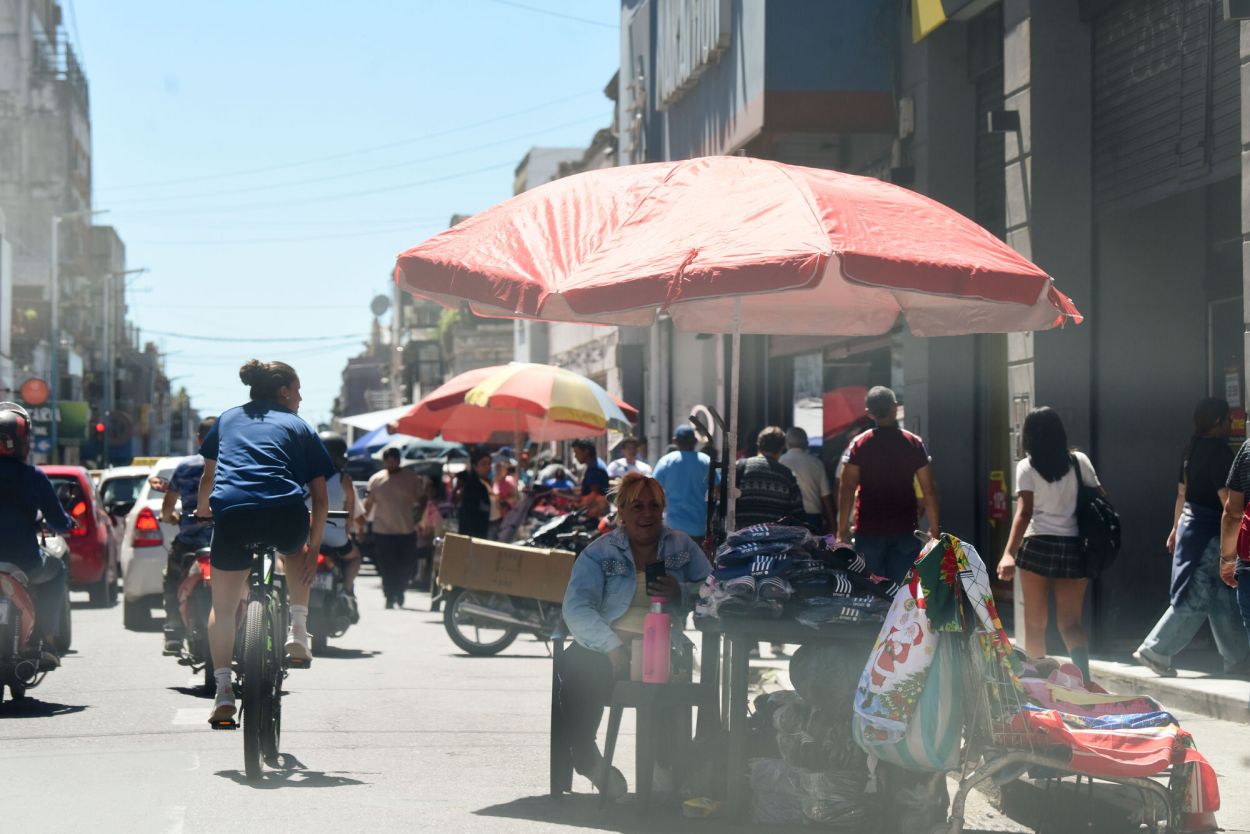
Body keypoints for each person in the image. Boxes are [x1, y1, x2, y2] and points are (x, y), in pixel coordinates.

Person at [197, 360, 336, 724]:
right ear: (284, 391)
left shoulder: (226, 419)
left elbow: (209, 477)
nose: (302, 397)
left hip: (233, 516)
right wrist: (313, 549)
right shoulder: (298, 426)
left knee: (224, 607)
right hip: (284, 515)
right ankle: (299, 632)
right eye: (298, 389)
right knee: (294, 550)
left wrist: (201, 510)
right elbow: (320, 500)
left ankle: (223, 689)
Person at [560, 473, 712, 798]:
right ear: (622, 512)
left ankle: (665, 764)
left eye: (653, 506)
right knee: (576, 665)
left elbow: (715, 590)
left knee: (674, 686)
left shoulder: (682, 547)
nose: (646, 514)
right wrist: (613, 647)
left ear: (663, 509)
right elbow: (576, 608)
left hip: (664, 645)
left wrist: (681, 591)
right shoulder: (599, 553)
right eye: (637, 506)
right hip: (607, 647)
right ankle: (588, 760)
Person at [1134, 399, 1248, 676]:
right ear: (1220, 422)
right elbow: (1228, 504)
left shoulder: (1191, 448)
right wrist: (1233, 540)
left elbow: (1182, 494)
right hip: (1211, 535)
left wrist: (1176, 528)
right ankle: (1156, 649)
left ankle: (1238, 657)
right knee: (1196, 596)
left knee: (1220, 596)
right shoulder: (1220, 453)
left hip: (1191, 528)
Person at [996, 407, 1102, 683]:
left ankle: (1037, 683)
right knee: (1070, 623)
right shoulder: (1079, 461)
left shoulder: (1026, 467)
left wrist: (1009, 553)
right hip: (1075, 547)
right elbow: (1100, 497)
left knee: (1034, 623)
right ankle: (1084, 680)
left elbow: (1025, 512)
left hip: (1037, 547)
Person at [838, 386, 939, 584]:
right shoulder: (914, 443)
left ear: (868, 412)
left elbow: (847, 489)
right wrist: (934, 528)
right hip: (905, 529)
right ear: (895, 407)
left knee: (870, 590)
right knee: (902, 592)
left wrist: (841, 530)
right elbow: (929, 489)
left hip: (869, 530)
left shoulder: (859, 444)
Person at [0, 403, 72, 665]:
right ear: (22, 442)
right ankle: (46, 637)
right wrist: (68, 523)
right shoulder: (33, 476)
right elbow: (58, 521)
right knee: (57, 569)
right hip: (26, 562)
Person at [159, 416, 217, 655]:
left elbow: (167, 506)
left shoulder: (185, 467)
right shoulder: (233, 465)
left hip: (189, 543)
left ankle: (173, 628)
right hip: (221, 543)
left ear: (199, 439)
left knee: (171, 577)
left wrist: (171, 518)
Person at [366, 446, 424, 608]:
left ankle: (400, 589)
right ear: (384, 462)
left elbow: (422, 499)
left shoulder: (411, 478)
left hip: (406, 529)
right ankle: (390, 595)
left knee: (406, 564)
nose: (392, 464)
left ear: (399, 461)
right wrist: (361, 525)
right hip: (383, 531)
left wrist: (420, 516)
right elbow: (368, 504)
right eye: (388, 461)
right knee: (387, 565)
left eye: (394, 461)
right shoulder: (376, 480)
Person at [312, 431, 363, 605]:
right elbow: (349, 515)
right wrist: (346, 531)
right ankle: (346, 589)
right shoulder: (343, 479)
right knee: (355, 557)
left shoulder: (305, 475)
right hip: (335, 537)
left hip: (308, 536)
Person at [652, 424, 715, 541]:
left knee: (673, 559)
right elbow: (718, 489)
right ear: (696, 441)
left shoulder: (666, 461)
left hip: (673, 527)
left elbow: (652, 488)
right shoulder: (706, 461)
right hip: (699, 528)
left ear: (674, 441)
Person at [735, 426, 805, 529]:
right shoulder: (787, 475)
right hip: (776, 540)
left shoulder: (740, 467)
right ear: (782, 448)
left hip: (742, 539)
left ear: (758, 444)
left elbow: (723, 502)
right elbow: (798, 514)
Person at [778, 427, 835, 534]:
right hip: (814, 519)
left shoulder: (780, 462)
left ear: (786, 443)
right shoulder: (816, 463)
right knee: (813, 550)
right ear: (806, 443)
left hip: (789, 518)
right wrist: (833, 525)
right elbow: (826, 497)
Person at [454, 448, 495, 538]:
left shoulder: (483, 483)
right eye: (483, 464)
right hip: (474, 536)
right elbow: (471, 515)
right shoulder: (474, 486)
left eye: (489, 463)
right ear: (474, 466)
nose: (488, 467)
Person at [571, 439, 610, 518]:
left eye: (576, 452)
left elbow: (594, 493)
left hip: (596, 514)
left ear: (586, 451)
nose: (575, 456)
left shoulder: (595, 468)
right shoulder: (594, 464)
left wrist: (578, 505)